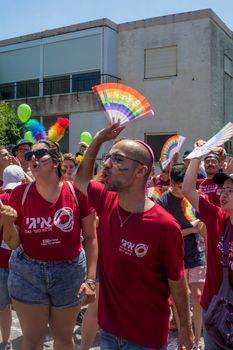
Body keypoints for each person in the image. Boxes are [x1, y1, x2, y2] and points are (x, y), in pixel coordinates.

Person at [75, 122, 194, 350]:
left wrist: (186, 332)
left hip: (146, 338)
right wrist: (98, 139)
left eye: (118, 159)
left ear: (141, 171)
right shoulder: (106, 201)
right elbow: (81, 180)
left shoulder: (164, 226)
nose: (107, 164)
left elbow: (178, 284)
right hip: (109, 330)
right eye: (108, 158)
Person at [0, 139, 98, 350]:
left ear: (55, 161)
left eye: (39, 153)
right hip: (28, 273)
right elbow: (15, 243)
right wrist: (7, 223)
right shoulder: (19, 194)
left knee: (63, 339)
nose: (32, 158)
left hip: (69, 273)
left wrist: (90, 279)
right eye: (28, 156)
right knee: (33, 340)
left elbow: (90, 237)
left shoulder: (77, 193)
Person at [182, 150, 233, 350]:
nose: (223, 194)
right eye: (223, 190)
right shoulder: (217, 218)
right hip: (212, 309)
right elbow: (187, 189)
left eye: (231, 190)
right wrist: (197, 155)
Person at [156, 164, 206, 350]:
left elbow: (205, 225)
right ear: (171, 183)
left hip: (197, 253)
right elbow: (168, 232)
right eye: (178, 186)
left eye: (184, 185)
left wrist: (198, 230)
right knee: (180, 299)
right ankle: (183, 337)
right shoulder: (163, 202)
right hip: (175, 256)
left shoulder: (194, 198)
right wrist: (192, 229)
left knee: (198, 296)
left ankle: (196, 340)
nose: (181, 190)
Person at [0, 165, 25, 350]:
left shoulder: (3, 197)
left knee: (4, 307)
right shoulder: (27, 197)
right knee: (26, 307)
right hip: (22, 261)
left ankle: (7, 341)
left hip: (6, 262)